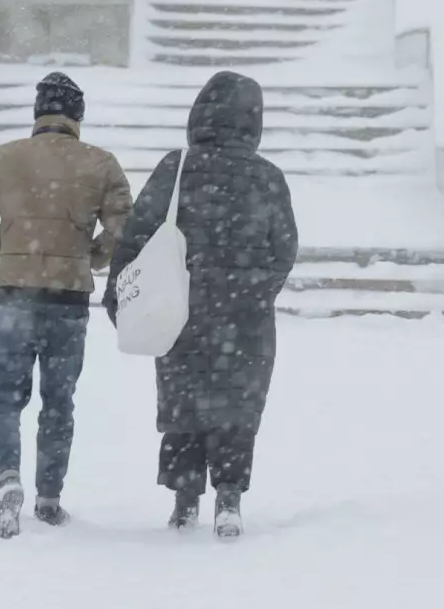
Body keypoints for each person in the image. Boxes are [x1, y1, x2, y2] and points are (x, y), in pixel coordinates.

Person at [102, 70, 298, 539]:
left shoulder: (178, 167)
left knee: (183, 403)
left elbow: (138, 235)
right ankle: (228, 496)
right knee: (237, 405)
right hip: (244, 318)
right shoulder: (267, 177)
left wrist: (118, 296)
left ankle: (184, 499)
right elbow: (284, 248)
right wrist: (253, 290)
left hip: (180, 309)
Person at [0, 72, 132, 539]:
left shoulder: (3, 158)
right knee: (58, 402)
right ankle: (50, 499)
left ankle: (8, 478)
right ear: (77, 116)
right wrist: (86, 257)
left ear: (38, 114)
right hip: (69, 301)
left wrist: (11, 250)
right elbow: (123, 230)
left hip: (15, 296)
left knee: (5, 399)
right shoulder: (102, 164)